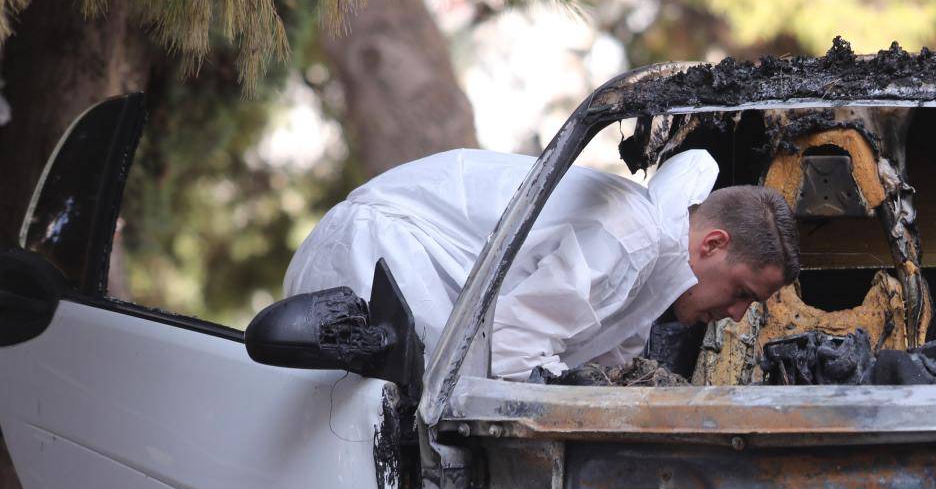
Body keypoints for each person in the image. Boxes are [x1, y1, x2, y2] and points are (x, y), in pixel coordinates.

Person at [285, 148, 799, 380]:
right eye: (742, 293)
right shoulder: (631, 235)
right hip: (377, 254)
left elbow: (600, 364)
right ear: (712, 244)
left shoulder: (648, 276)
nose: (736, 315)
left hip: (415, 279)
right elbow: (513, 350)